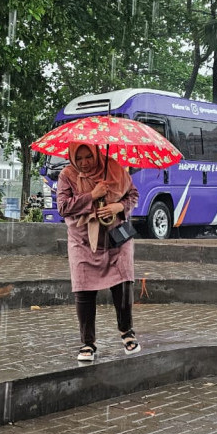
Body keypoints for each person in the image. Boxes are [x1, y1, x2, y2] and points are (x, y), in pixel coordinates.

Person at [57, 142, 141, 361]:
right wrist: (93, 195)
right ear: (73, 158)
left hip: (116, 238)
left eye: (89, 157)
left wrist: (118, 207)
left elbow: (132, 195)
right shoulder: (67, 175)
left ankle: (127, 332)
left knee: (123, 284)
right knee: (84, 290)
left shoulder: (114, 168)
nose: (85, 163)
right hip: (83, 240)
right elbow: (63, 207)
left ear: (97, 154)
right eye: (80, 158)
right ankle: (87, 343)